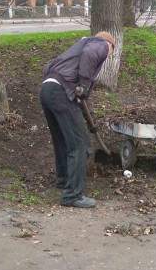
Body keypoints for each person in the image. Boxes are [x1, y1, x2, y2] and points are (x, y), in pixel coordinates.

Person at [40, 31, 115, 208]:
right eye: (111, 51)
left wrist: (92, 124)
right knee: (80, 144)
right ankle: (72, 195)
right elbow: (90, 56)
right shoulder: (100, 44)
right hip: (61, 93)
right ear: (110, 45)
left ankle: (64, 180)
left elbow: (82, 99)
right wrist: (83, 84)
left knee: (63, 141)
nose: (109, 54)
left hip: (47, 89)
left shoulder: (76, 50)